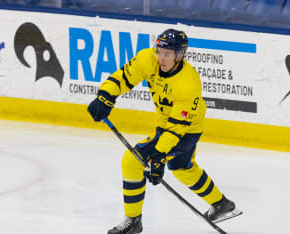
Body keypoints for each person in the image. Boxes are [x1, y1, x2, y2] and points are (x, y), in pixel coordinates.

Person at [88, 28, 242, 234]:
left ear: (180, 55)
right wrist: (105, 96)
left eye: (168, 54)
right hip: (164, 124)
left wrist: (159, 154)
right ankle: (222, 204)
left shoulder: (188, 83)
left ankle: (133, 221)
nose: (162, 57)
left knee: (131, 161)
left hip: (185, 129)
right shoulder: (147, 59)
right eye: (160, 51)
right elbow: (123, 77)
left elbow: (176, 129)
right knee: (182, 167)